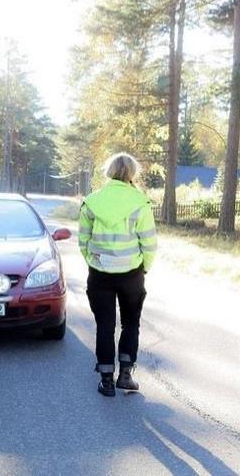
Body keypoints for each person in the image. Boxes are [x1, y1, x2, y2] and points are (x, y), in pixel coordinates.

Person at [78, 152, 157, 396]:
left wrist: (93, 262)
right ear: (132, 173)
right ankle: (125, 374)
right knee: (131, 323)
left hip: (100, 274)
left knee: (105, 325)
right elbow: (149, 244)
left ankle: (106, 380)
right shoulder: (140, 202)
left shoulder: (91, 201)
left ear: (109, 171)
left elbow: (83, 240)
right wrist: (144, 268)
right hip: (131, 274)